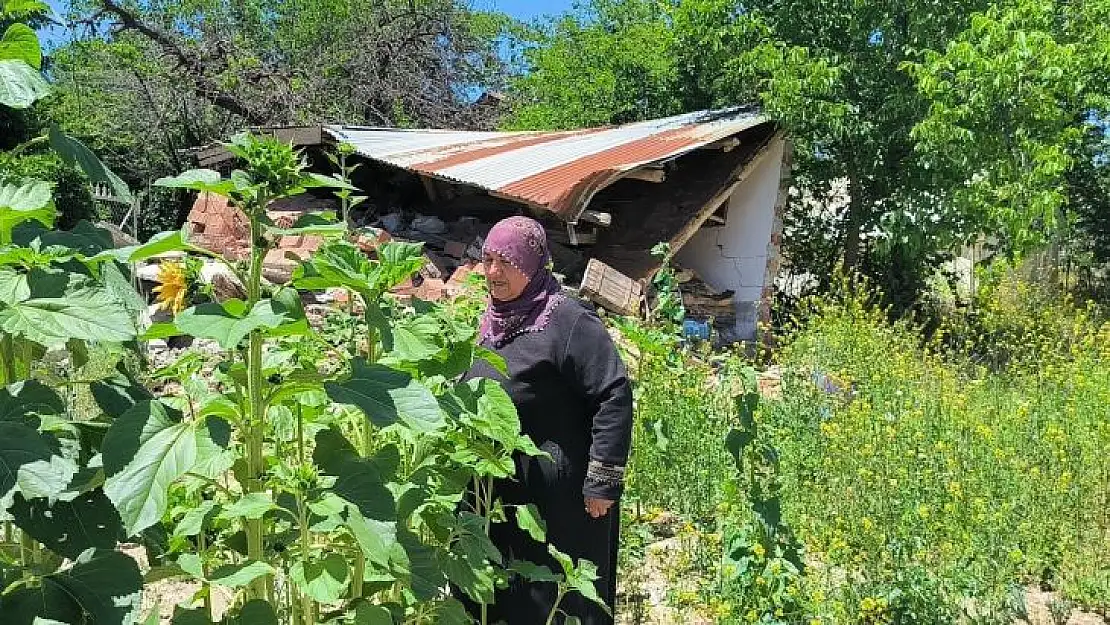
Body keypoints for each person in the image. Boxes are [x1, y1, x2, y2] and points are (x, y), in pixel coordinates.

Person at [463, 216, 633, 625]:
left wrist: (602, 482)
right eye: (487, 260)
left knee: (556, 596)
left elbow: (614, 394)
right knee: (505, 591)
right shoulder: (494, 319)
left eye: (507, 261)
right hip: (496, 484)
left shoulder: (569, 322)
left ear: (532, 263)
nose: (493, 272)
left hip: (558, 495)